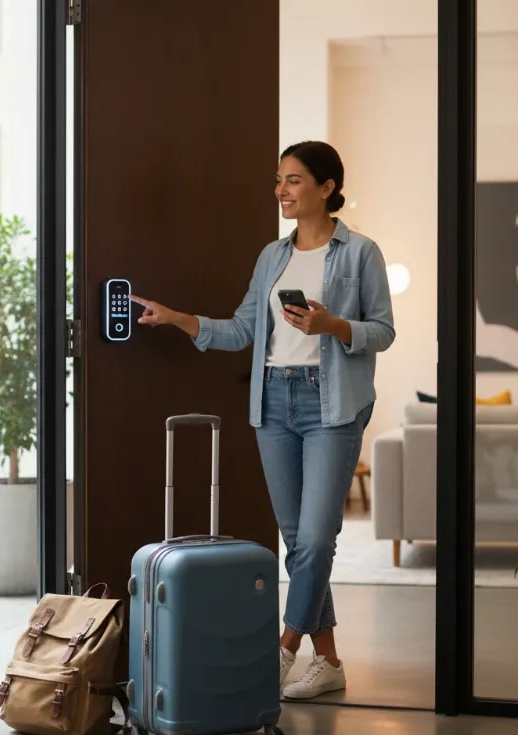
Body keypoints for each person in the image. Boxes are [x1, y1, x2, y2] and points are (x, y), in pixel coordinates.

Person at [129, 141, 395, 699]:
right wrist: (177, 318)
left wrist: (332, 326)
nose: (281, 190)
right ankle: (330, 662)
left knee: (316, 539)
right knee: (297, 541)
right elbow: (242, 330)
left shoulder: (360, 252)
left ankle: (284, 647)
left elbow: (383, 332)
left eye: (294, 180)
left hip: (332, 405)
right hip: (273, 401)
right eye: (278, 180)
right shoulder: (272, 256)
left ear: (327, 187)